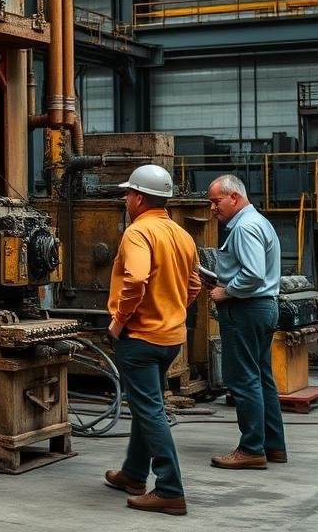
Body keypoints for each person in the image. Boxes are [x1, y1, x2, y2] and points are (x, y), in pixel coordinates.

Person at [103, 164, 201, 516]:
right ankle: (132, 473)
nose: (126, 198)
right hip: (170, 337)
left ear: (140, 198)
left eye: (128, 193)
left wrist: (118, 322)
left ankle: (170, 489)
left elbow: (136, 279)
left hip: (140, 338)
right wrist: (171, 309)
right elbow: (194, 285)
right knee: (149, 405)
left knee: (151, 411)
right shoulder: (182, 234)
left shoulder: (137, 233)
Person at [206, 174, 288, 469]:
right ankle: (273, 445)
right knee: (262, 378)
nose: (213, 208)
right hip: (261, 308)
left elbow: (252, 274)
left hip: (246, 309)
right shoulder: (258, 222)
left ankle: (252, 448)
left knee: (244, 380)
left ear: (234, 198)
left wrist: (225, 291)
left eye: (216, 201)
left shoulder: (244, 227)